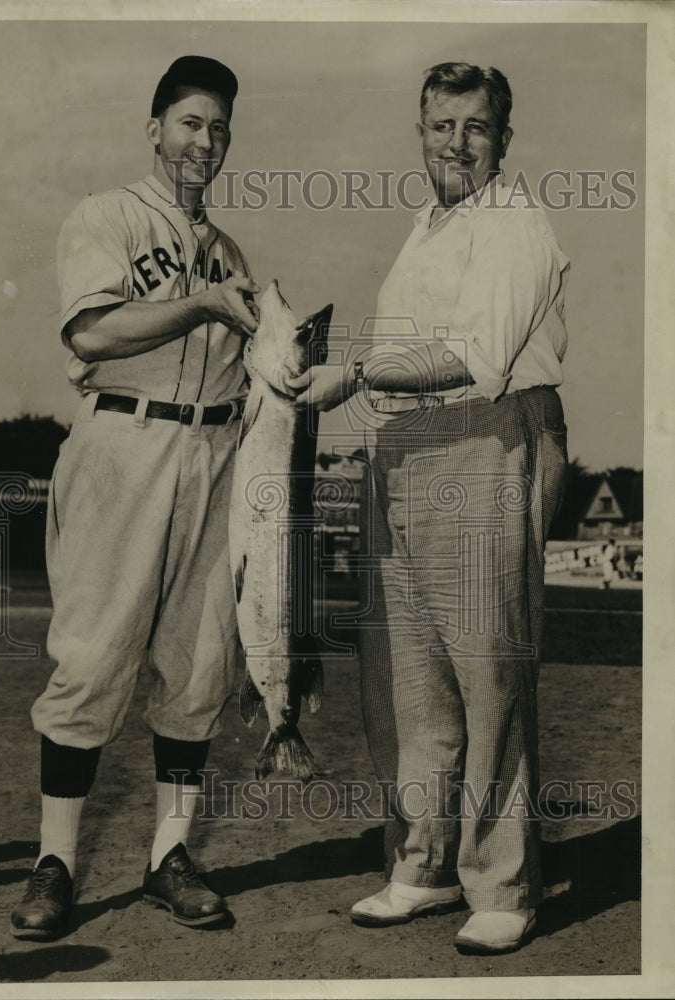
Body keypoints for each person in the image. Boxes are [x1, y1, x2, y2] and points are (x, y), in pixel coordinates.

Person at [292, 62, 569, 954]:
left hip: (486, 435)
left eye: (476, 127)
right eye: (441, 125)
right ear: (419, 131)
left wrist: (359, 371)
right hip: (405, 447)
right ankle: (421, 863)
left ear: (502, 138)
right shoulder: (427, 225)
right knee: (405, 675)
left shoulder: (516, 222)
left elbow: (479, 353)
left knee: (487, 671)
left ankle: (503, 883)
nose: (457, 142)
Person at [10, 55, 259, 940]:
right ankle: (56, 863)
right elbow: (92, 329)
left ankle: (169, 856)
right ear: (154, 128)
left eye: (220, 128)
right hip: (124, 441)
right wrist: (199, 305)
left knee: (197, 666)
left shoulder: (230, 253)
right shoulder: (105, 215)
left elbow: (259, 374)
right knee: (91, 659)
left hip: (215, 452)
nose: (206, 141)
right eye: (191, 122)